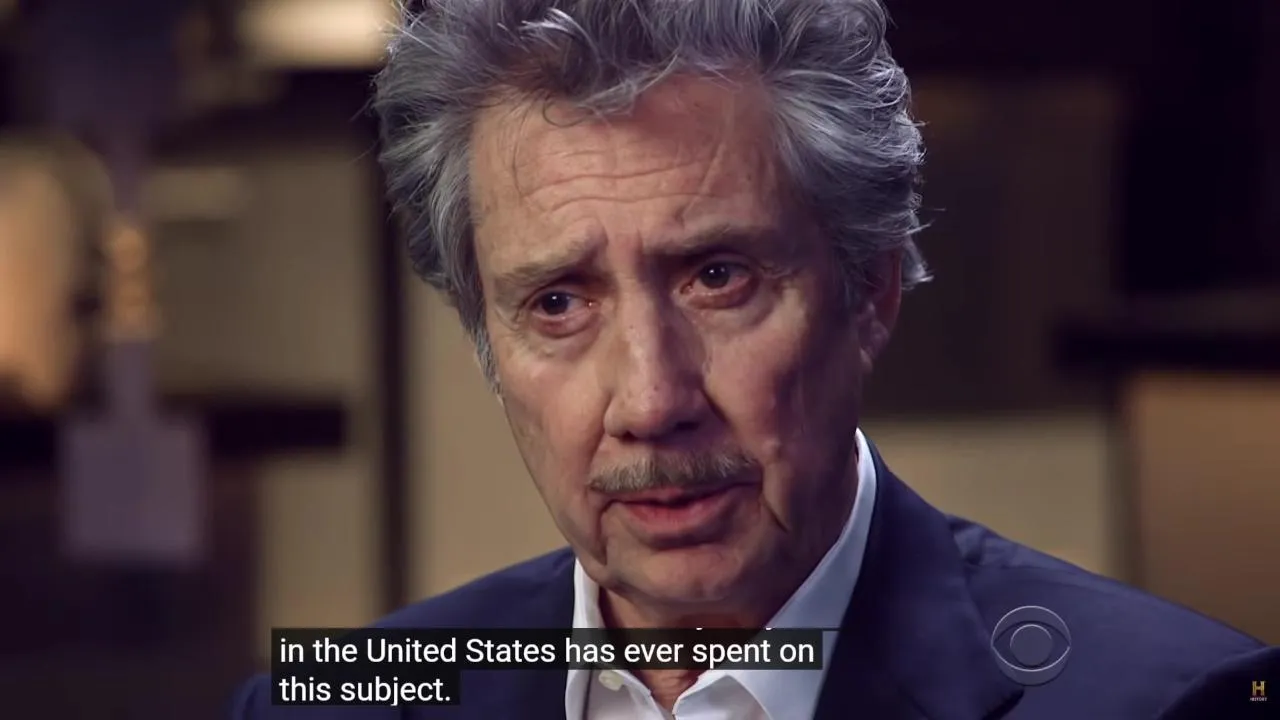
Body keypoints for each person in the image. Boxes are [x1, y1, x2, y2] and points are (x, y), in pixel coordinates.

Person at [231, 0, 1267, 717]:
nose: (650, 400)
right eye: (557, 303)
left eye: (717, 278)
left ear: (869, 291)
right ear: (485, 340)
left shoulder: (1175, 703)